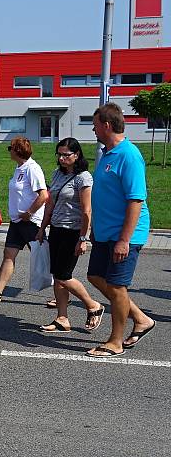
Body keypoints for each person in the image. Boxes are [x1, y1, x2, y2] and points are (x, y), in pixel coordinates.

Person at [86, 103, 155, 358]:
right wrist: (94, 228)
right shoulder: (107, 153)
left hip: (124, 235)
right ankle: (140, 318)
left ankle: (115, 342)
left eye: (95, 125)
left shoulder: (129, 155)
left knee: (116, 287)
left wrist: (124, 240)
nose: (93, 130)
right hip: (105, 233)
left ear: (106, 125)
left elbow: (135, 200)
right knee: (95, 275)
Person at [35, 138, 104, 333]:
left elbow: (86, 210)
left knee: (64, 276)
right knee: (58, 277)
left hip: (73, 232)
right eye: (60, 154)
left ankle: (93, 305)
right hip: (56, 229)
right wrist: (42, 228)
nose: (62, 158)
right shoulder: (57, 174)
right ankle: (62, 318)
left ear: (77, 155)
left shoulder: (83, 178)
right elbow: (50, 204)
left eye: (66, 155)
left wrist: (83, 238)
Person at [0, 136, 48, 305]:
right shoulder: (19, 168)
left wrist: (29, 212)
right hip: (17, 222)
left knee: (43, 257)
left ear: (17, 151)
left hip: (30, 222)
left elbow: (43, 195)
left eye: (10, 148)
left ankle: (61, 292)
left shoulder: (32, 168)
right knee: (8, 254)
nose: (9, 151)